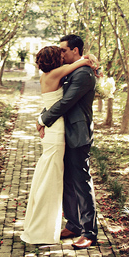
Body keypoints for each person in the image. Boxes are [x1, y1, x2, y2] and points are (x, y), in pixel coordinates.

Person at [21, 45, 96, 245]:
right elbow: (85, 61)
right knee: (52, 179)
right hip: (57, 130)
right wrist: (91, 61)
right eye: (60, 53)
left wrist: (42, 119)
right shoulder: (58, 73)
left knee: (59, 178)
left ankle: (80, 229)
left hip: (61, 130)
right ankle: (50, 226)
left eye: (65, 50)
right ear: (56, 59)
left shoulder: (51, 75)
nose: (63, 55)